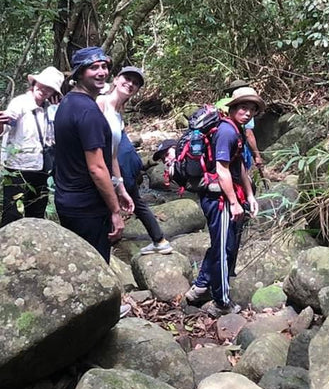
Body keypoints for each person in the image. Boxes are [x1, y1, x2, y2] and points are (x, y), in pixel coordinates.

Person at [186, 85, 262, 312]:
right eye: (243, 108)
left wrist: (249, 196)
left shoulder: (235, 130)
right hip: (217, 199)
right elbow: (222, 169)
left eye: (251, 110)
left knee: (223, 244)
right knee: (222, 249)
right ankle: (221, 302)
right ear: (233, 108)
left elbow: (239, 166)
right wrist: (233, 202)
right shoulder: (227, 132)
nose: (247, 113)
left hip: (226, 196)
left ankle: (200, 287)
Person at [51, 46, 132, 261]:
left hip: (68, 200)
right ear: (79, 74)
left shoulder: (68, 102)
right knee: (94, 266)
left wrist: (118, 186)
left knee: (78, 263)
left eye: (104, 66)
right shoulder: (88, 112)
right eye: (93, 68)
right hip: (87, 207)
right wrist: (115, 211)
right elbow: (96, 168)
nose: (101, 72)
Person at [98, 65, 173, 255]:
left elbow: (113, 149)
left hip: (121, 166)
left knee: (132, 201)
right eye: (127, 79)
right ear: (115, 80)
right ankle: (158, 239)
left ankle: (155, 240)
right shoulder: (101, 102)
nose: (130, 84)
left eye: (136, 83)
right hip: (109, 165)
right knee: (133, 202)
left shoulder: (118, 111)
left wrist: (118, 181)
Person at [0, 67, 64, 225]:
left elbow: (55, 137)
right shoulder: (20, 103)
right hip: (18, 167)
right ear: (35, 83)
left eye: (49, 88)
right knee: (12, 213)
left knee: (37, 213)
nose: (44, 90)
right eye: (42, 84)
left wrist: (59, 110)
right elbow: (4, 128)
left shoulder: (50, 109)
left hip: (42, 167)